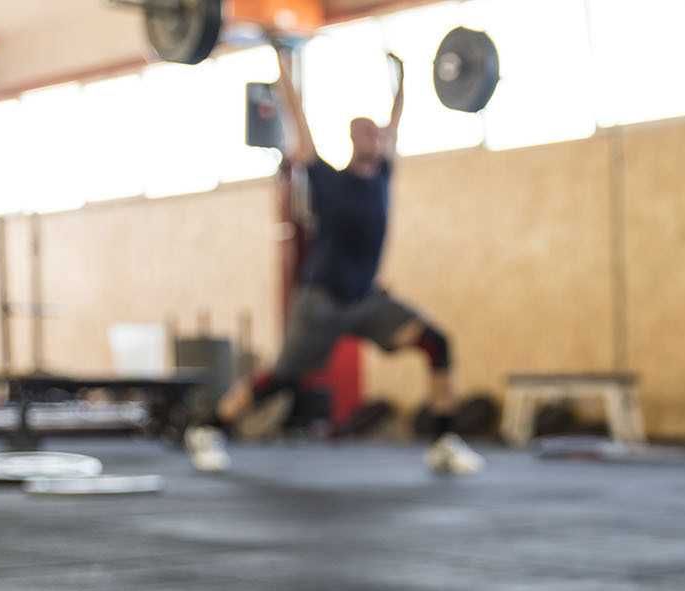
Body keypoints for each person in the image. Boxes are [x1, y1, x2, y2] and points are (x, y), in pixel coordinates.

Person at [186, 42, 483, 475]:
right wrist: (281, 65)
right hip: (320, 302)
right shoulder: (325, 177)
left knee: (436, 343)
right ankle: (209, 429)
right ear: (351, 139)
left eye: (379, 132)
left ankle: (443, 440)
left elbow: (398, 119)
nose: (376, 136)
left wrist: (402, 81)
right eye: (367, 132)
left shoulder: (383, 176)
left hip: (366, 302)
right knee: (284, 378)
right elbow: (298, 120)